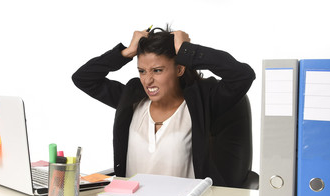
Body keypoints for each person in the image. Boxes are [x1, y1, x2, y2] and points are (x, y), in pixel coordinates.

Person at [72, 26, 256, 187]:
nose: (148, 80)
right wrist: (125, 53)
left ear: (179, 69)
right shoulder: (132, 99)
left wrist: (187, 51)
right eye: (142, 71)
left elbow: (242, 75)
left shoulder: (201, 103)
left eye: (157, 70)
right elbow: (83, 78)